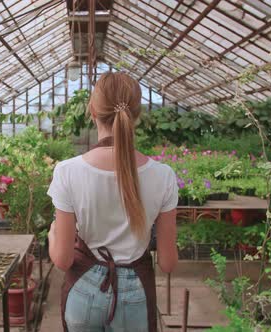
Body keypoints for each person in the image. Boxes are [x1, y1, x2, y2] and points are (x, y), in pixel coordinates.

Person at [47, 72, 179, 332]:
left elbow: (62, 260)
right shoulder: (163, 175)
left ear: (93, 111)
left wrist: (52, 235)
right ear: (137, 115)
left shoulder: (67, 171)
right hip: (135, 296)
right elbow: (168, 263)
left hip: (83, 292)